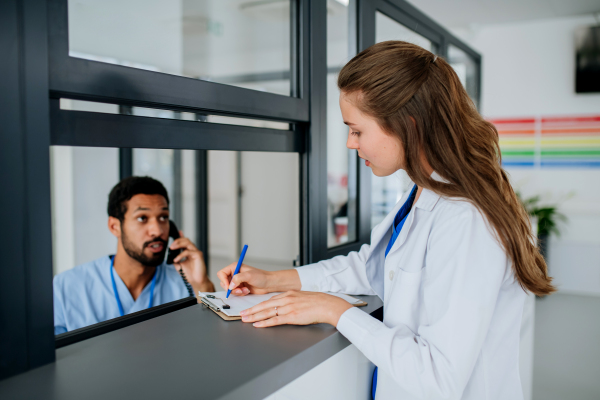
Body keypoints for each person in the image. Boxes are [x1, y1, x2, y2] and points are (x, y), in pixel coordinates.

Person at [216, 41, 555, 400]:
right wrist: (273, 279)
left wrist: (336, 311)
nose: (350, 143)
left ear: (407, 124)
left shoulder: (465, 220)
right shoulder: (422, 193)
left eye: (357, 130)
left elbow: (439, 376)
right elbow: (374, 267)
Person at [53, 176, 214, 334]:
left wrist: (202, 284)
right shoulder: (67, 287)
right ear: (115, 226)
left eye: (163, 217)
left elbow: (211, 340)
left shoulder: (185, 283)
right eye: (142, 218)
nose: (157, 230)